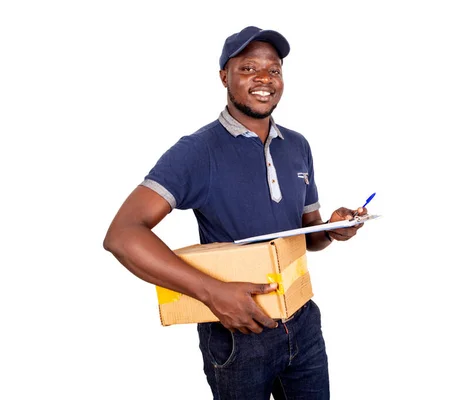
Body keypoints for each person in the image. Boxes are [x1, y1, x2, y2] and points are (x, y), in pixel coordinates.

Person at [103, 25, 367, 399]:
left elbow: (309, 237)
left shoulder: (297, 145)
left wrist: (334, 229)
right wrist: (212, 293)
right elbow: (122, 235)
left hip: (303, 320)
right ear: (224, 76)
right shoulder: (197, 151)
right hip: (239, 333)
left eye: (273, 70)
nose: (264, 78)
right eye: (248, 68)